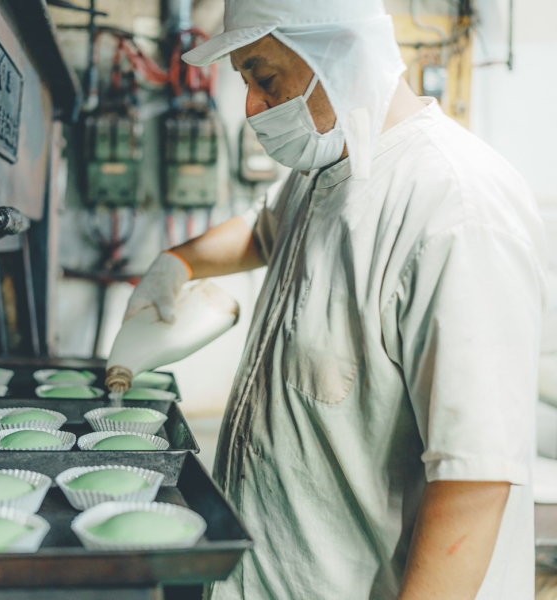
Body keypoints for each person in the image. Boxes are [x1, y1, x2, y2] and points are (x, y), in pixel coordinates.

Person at [120, 0, 547, 598]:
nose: (251, 107)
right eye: (245, 82)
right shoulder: (330, 165)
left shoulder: (455, 212)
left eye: (264, 78)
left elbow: (473, 484)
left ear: (339, 50)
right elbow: (261, 228)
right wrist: (178, 261)